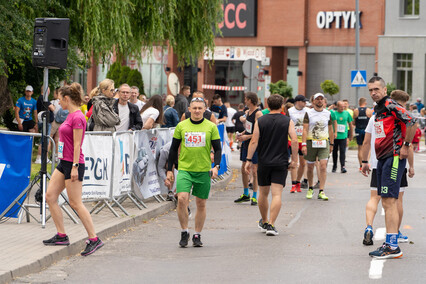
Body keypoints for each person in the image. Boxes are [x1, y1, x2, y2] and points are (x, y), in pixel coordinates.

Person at [43, 83, 103, 256]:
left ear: (67, 99)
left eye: (61, 100)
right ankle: (61, 235)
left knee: (76, 203)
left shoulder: (78, 117)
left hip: (73, 164)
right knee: (50, 196)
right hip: (64, 162)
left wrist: (75, 167)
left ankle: (94, 239)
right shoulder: (69, 115)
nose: (59, 102)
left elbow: (78, 144)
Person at [361, 77, 416, 259]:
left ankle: (392, 246)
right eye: (370, 90)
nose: (373, 93)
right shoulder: (379, 109)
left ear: (385, 90)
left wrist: (406, 145)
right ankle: (390, 242)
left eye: (376, 89)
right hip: (383, 158)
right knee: (386, 200)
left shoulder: (391, 105)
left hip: (393, 158)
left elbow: (412, 121)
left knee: (390, 201)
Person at [166, 96, 222, 247]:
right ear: (189, 110)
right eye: (194, 108)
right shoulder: (182, 126)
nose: (197, 111)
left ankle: (197, 234)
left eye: (200, 108)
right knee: (182, 199)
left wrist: (216, 166)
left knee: (201, 203)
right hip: (185, 169)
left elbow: (218, 149)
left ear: (205, 110)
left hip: (203, 170)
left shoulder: (211, 127)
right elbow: (173, 149)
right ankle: (184, 232)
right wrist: (169, 170)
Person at [245, 94, 298, 236]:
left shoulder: (260, 121)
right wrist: (294, 160)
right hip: (281, 162)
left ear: (267, 105)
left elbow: (254, 141)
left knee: (263, 193)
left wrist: (249, 160)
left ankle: (264, 220)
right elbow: (294, 140)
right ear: (282, 106)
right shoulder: (287, 121)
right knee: (277, 194)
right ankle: (271, 224)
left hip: (264, 161)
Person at [301, 93, 334, 200]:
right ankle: (310, 188)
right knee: (310, 167)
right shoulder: (308, 113)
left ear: (324, 101)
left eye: (321, 99)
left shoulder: (328, 113)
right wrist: (304, 144)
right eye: (317, 99)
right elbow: (305, 129)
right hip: (311, 142)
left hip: (324, 142)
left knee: (323, 166)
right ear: (313, 101)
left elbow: (330, 129)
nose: (319, 101)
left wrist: (332, 143)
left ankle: (321, 190)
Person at [234, 92, 263, 205]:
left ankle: (255, 195)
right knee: (243, 169)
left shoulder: (258, 114)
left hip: (255, 144)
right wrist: (241, 134)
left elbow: (259, 133)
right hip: (246, 143)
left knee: (254, 170)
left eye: (246, 99)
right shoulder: (247, 112)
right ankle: (246, 193)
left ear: (250, 100)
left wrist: (247, 136)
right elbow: (248, 128)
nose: (244, 101)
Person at [288, 95, 309, 193]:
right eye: (303, 101)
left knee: (303, 163)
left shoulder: (308, 111)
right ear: (298, 102)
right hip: (293, 139)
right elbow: (286, 124)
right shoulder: (290, 111)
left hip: (304, 139)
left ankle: (298, 182)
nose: (305, 103)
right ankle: (293, 184)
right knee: (294, 162)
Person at [34, 86, 56, 164]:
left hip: (46, 122)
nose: (49, 92)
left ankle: (44, 158)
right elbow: (53, 108)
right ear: (46, 91)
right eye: (49, 90)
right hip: (45, 122)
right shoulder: (43, 98)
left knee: (46, 139)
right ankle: (39, 158)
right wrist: (52, 107)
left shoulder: (42, 98)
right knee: (44, 140)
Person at [331, 101, 353, 173]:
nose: (342, 108)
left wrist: (351, 135)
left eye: (343, 107)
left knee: (342, 151)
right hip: (335, 136)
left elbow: (350, 124)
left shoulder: (346, 113)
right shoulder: (334, 113)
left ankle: (343, 166)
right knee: (334, 151)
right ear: (337, 106)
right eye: (341, 107)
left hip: (343, 135)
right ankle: (334, 166)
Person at [353, 97, 373, 170]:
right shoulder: (369, 111)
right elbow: (371, 122)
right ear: (365, 103)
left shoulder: (355, 111)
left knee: (360, 148)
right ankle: (366, 162)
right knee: (368, 147)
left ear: (359, 103)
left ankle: (361, 166)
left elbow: (353, 122)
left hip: (358, 130)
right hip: (366, 131)